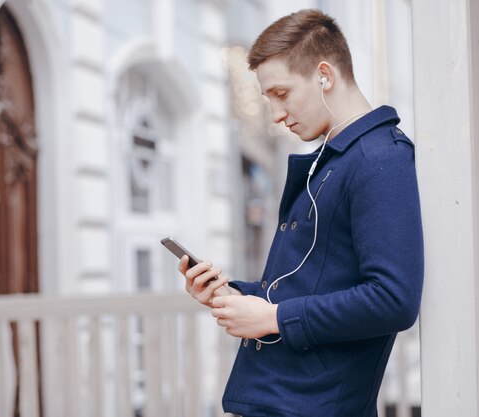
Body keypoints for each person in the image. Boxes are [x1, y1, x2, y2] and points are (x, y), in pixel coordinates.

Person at [179, 9, 424, 417]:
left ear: (324, 75)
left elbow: (394, 300)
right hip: (275, 400)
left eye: (282, 93)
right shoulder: (331, 161)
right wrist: (235, 296)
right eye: (268, 98)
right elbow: (307, 286)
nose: (276, 114)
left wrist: (273, 317)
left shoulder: (381, 157)